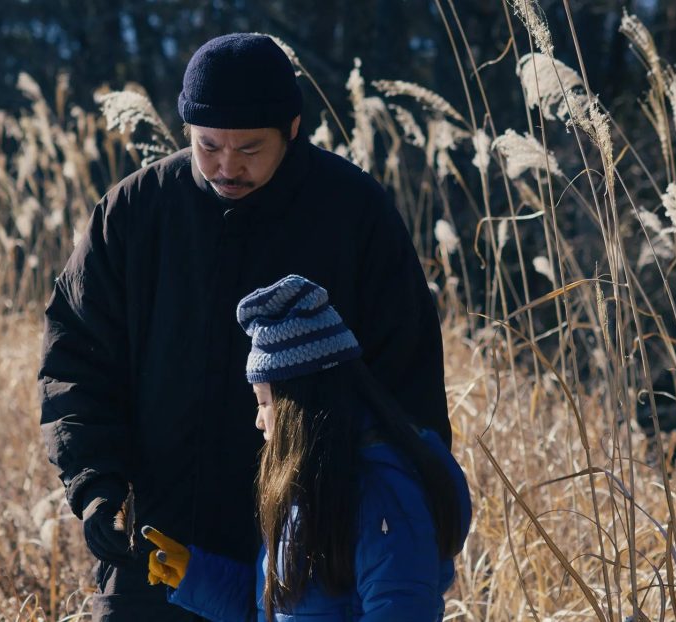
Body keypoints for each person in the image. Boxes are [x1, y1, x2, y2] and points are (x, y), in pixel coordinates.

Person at [38, 33, 450, 620]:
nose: (228, 166)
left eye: (251, 148)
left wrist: (395, 515)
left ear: (294, 127)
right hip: (158, 547)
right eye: (208, 146)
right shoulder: (134, 212)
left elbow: (405, 386)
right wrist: (96, 484)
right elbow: (75, 361)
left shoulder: (353, 213)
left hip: (311, 549)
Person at [143, 275, 471, 621]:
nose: (258, 420)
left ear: (296, 406)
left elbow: (402, 609)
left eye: (265, 402)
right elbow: (278, 611)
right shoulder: (314, 486)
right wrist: (196, 578)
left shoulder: (383, 493)